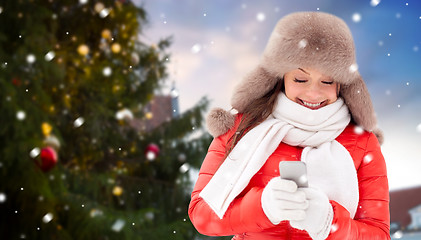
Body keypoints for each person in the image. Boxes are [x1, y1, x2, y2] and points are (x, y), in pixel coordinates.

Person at [188, 11, 390, 240]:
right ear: (279, 77)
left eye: (327, 81)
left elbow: (379, 234)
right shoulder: (240, 129)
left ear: (341, 85)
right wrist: (263, 207)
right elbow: (202, 215)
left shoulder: (363, 144)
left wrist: (328, 221)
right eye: (300, 79)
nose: (313, 93)